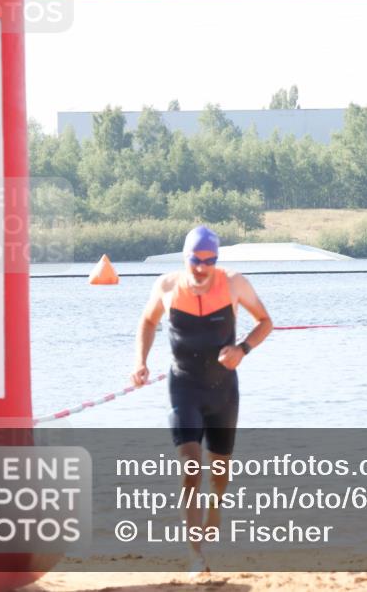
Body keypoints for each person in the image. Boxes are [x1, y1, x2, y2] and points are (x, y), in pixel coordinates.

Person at [131, 225, 273, 574]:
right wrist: (140, 363)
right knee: (191, 467)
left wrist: (242, 349)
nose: (202, 267)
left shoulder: (235, 283)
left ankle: (217, 502)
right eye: (196, 260)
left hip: (224, 390)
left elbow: (266, 322)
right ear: (186, 258)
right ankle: (196, 555)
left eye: (210, 260)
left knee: (220, 471)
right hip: (184, 387)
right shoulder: (166, 286)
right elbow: (147, 322)